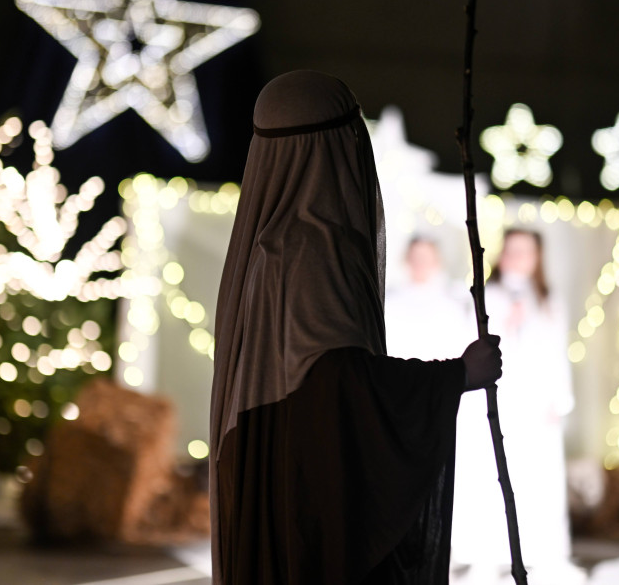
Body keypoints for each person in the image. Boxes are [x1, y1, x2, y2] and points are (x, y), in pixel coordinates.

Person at [211, 70, 503, 585]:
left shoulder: (271, 244)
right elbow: (336, 383)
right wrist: (455, 376)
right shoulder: (317, 246)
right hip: (310, 498)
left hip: (271, 474)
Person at [452, 228, 581, 585]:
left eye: (526, 251)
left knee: (538, 480)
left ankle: (544, 554)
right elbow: (471, 345)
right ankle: (484, 557)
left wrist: (560, 398)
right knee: (488, 477)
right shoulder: (487, 295)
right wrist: (507, 327)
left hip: (537, 404)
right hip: (499, 398)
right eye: (513, 250)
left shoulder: (547, 299)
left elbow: (557, 352)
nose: (518, 257)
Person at [385, 237, 475, 361]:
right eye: (416, 257)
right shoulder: (389, 302)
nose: (420, 263)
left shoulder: (453, 303)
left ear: (436, 261)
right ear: (406, 259)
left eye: (425, 257)